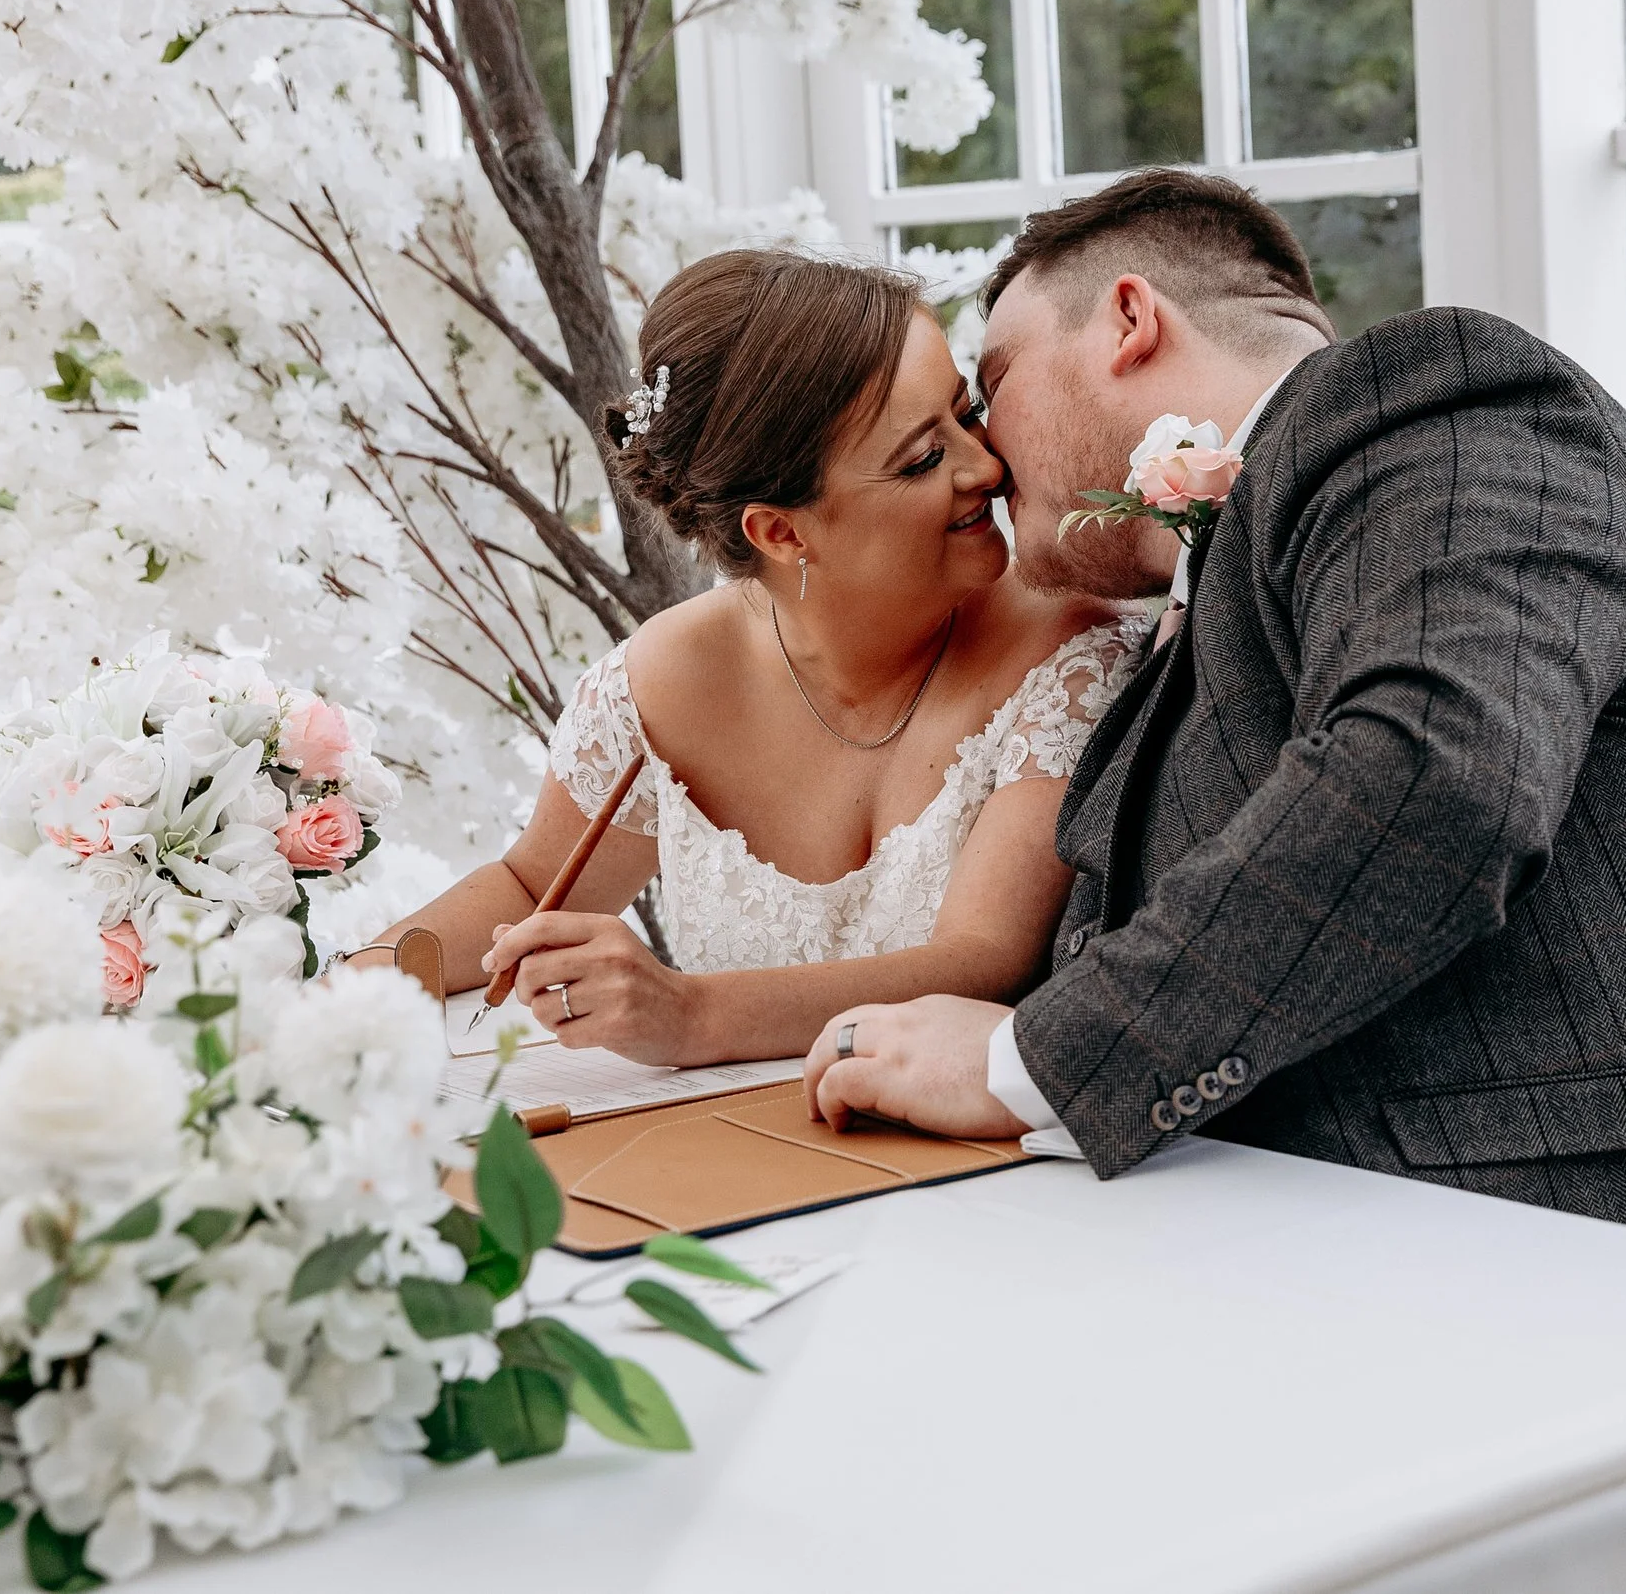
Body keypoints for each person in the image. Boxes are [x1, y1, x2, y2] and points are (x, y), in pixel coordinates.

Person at [798, 170, 1626, 1295]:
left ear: (1126, 320)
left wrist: (1036, 1064)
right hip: (1346, 1246)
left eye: (990, 383)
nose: (988, 458)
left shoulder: (1436, 401)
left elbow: (1432, 774)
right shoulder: (1209, 591)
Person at [366, 248, 1148, 1059]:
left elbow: (980, 964)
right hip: (719, 1158)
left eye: (966, 410)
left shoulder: (1068, 649)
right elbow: (528, 886)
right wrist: (346, 988)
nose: (985, 466)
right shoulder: (668, 679)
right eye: (922, 458)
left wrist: (692, 1013)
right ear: (781, 531)